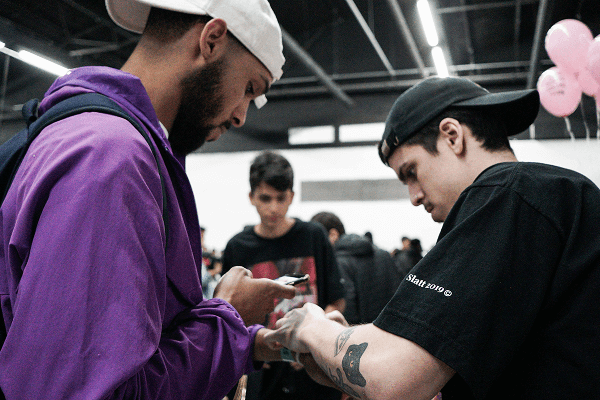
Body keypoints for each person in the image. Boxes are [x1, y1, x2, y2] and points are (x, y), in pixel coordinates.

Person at [0, 0, 311, 398]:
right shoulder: (112, 159)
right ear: (212, 40)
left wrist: (253, 343)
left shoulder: (99, 139)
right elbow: (81, 392)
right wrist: (226, 317)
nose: (241, 116)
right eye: (249, 88)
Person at [265, 76, 600, 399]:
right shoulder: (545, 201)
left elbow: (394, 381)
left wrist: (312, 326)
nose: (414, 197)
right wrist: (340, 340)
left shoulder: (508, 192)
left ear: (452, 136)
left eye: (411, 172)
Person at [222, 151, 346, 400]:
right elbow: (230, 315)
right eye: (265, 198)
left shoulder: (314, 236)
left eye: (281, 198)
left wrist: (313, 341)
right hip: (263, 378)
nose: (273, 208)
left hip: (313, 373)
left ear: (291, 196)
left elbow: (336, 299)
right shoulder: (238, 247)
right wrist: (255, 348)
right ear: (251, 197)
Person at [310, 211, 400, 325]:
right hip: (392, 327)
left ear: (333, 234)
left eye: (318, 240)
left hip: (361, 333)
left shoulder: (338, 262)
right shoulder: (384, 254)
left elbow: (347, 310)